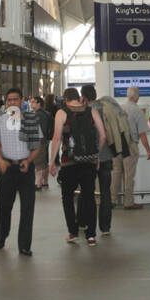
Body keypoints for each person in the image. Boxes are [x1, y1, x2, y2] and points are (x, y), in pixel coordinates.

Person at [49, 87, 105, 246]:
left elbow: (57, 137)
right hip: (89, 161)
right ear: (78, 97)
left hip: (69, 162)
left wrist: (51, 162)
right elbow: (103, 135)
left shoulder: (62, 113)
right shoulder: (91, 111)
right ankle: (91, 235)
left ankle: (73, 232)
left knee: (67, 196)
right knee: (89, 197)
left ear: (66, 99)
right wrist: (97, 154)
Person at [0, 88, 43, 255]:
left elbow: (37, 145)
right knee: (3, 206)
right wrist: (0, 161)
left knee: (28, 207)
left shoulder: (31, 120)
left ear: (22, 101)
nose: (12, 103)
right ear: (6, 103)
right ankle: (2, 236)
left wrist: (28, 160)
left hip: (25, 168)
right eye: (9, 100)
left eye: (15, 99)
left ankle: (24, 245)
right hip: (6, 168)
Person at [87, 86, 128, 235]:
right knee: (105, 192)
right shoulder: (106, 107)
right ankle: (105, 227)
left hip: (92, 157)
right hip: (107, 156)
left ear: (84, 98)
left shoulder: (88, 111)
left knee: (88, 191)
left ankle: (85, 224)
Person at [115, 86, 150, 210]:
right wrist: (148, 150)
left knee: (116, 173)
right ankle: (128, 202)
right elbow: (142, 133)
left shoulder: (118, 108)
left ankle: (111, 200)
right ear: (137, 97)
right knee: (129, 174)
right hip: (130, 145)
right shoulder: (137, 112)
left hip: (117, 145)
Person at [29, 96, 54, 189]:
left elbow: (39, 129)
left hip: (39, 141)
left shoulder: (38, 115)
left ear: (38, 103)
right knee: (44, 161)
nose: (31, 104)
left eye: (33, 102)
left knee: (38, 162)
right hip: (44, 140)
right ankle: (45, 181)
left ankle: (38, 183)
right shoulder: (45, 113)